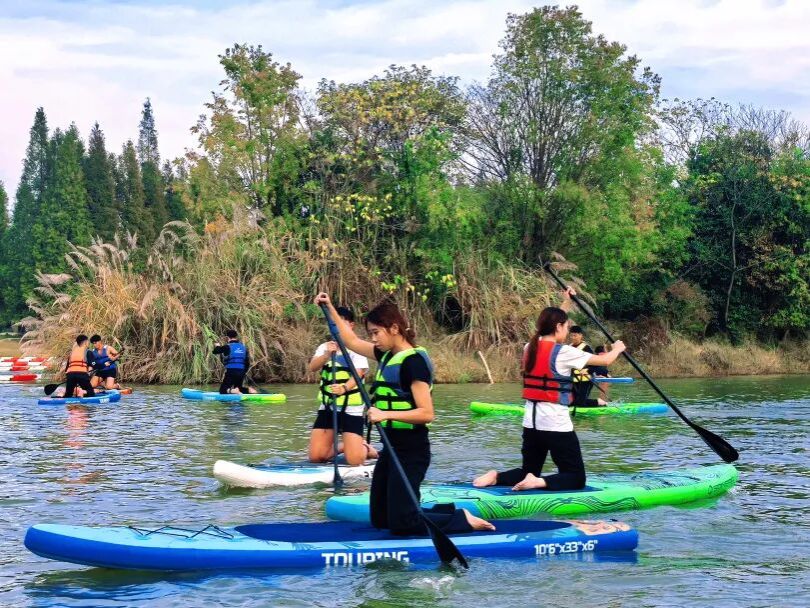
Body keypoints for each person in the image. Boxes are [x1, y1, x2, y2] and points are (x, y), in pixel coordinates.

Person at [315, 292, 494, 535]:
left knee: (402, 524)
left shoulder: (414, 362)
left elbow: (426, 413)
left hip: (412, 450)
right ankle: (445, 512)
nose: (373, 339)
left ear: (394, 328)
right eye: (371, 334)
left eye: (376, 333)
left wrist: (386, 416)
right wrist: (329, 308)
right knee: (380, 519)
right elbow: (350, 340)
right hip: (391, 448)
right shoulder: (387, 355)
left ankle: (461, 519)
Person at [473, 288, 625, 492]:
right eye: (566, 326)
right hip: (555, 422)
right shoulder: (564, 352)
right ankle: (539, 482)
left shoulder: (530, 347)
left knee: (529, 470)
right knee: (576, 478)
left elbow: (551, 325)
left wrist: (566, 303)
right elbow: (604, 360)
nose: (568, 331)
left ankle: (496, 477)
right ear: (558, 327)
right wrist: (617, 348)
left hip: (531, 422)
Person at [307, 306, 379, 465]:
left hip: (351, 408)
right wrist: (326, 354)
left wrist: (344, 388)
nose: (336, 327)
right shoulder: (325, 347)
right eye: (333, 324)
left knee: (354, 460)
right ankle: (347, 445)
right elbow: (312, 367)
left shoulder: (356, 348)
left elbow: (359, 374)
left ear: (351, 326)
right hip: (328, 407)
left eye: (340, 324)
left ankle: (366, 449)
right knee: (316, 457)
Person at [569, 326, 605, 408]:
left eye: (575, 335)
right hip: (574, 380)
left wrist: (587, 370)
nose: (573, 338)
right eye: (571, 335)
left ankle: (599, 402)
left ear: (580, 335)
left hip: (586, 379)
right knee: (572, 402)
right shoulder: (569, 347)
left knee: (581, 403)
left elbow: (596, 364)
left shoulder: (586, 348)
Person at [212, 330, 257, 394]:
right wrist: (244, 372)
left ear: (228, 338)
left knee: (222, 390)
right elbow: (247, 362)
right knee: (238, 387)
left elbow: (215, 351)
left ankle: (233, 391)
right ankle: (249, 390)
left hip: (231, 371)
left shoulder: (227, 346)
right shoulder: (243, 347)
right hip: (241, 371)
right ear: (236, 337)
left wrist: (217, 346)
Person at [62, 335, 95, 399]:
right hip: (81, 374)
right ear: (85, 342)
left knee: (68, 394)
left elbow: (66, 369)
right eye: (88, 342)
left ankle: (67, 397)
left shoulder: (72, 353)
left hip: (70, 375)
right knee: (91, 393)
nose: (88, 343)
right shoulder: (88, 351)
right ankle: (82, 392)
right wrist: (88, 375)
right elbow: (92, 365)